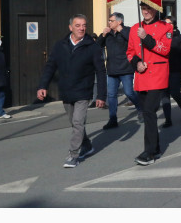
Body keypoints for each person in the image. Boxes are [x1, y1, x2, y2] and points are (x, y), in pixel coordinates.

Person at [37, 14, 107, 168]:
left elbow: (101, 72)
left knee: (77, 122)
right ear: (70, 28)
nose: (82, 28)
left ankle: (73, 155)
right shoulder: (60, 45)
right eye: (78, 25)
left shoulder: (92, 47)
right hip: (66, 91)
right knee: (75, 123)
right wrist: (43, 86)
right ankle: (87, 145)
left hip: (83, 91)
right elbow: (50, 66)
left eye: (84, 25)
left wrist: (101, 95)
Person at [126, 2, 173, 166]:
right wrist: (137, 63)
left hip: (158, 75)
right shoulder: (134, 28)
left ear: (156, 9)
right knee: (149, 114)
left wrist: (146, 37)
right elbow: (130, 52)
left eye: (149, 8)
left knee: (148, 111)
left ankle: (150, 152)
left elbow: (165, 49)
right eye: (143, 9)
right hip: (142, 76)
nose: (145, 12)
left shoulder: (165, 27)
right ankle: (157, 148)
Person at [97, 13, 142, 129]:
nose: (109, 23)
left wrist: (121, 31)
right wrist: (103, 35)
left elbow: (134, 41)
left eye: (111, 21)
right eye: (109, 20)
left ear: (119, 21)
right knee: (111, 95)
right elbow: (96, 46)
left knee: (129, 92)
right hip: (112, 69)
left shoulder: (128, 30)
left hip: (126, 68)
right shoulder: (108, 34)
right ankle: (113, 119)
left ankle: (141, 108)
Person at [161, 16, 181, 128]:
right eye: (164, 23)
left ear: (174, 25)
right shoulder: (162, 37)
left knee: (174, 92)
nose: (166, 25)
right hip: (163, 70)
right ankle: (168, 119)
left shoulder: (180, 38)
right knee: (164, 95)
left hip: (176, 70)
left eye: (168, 23)